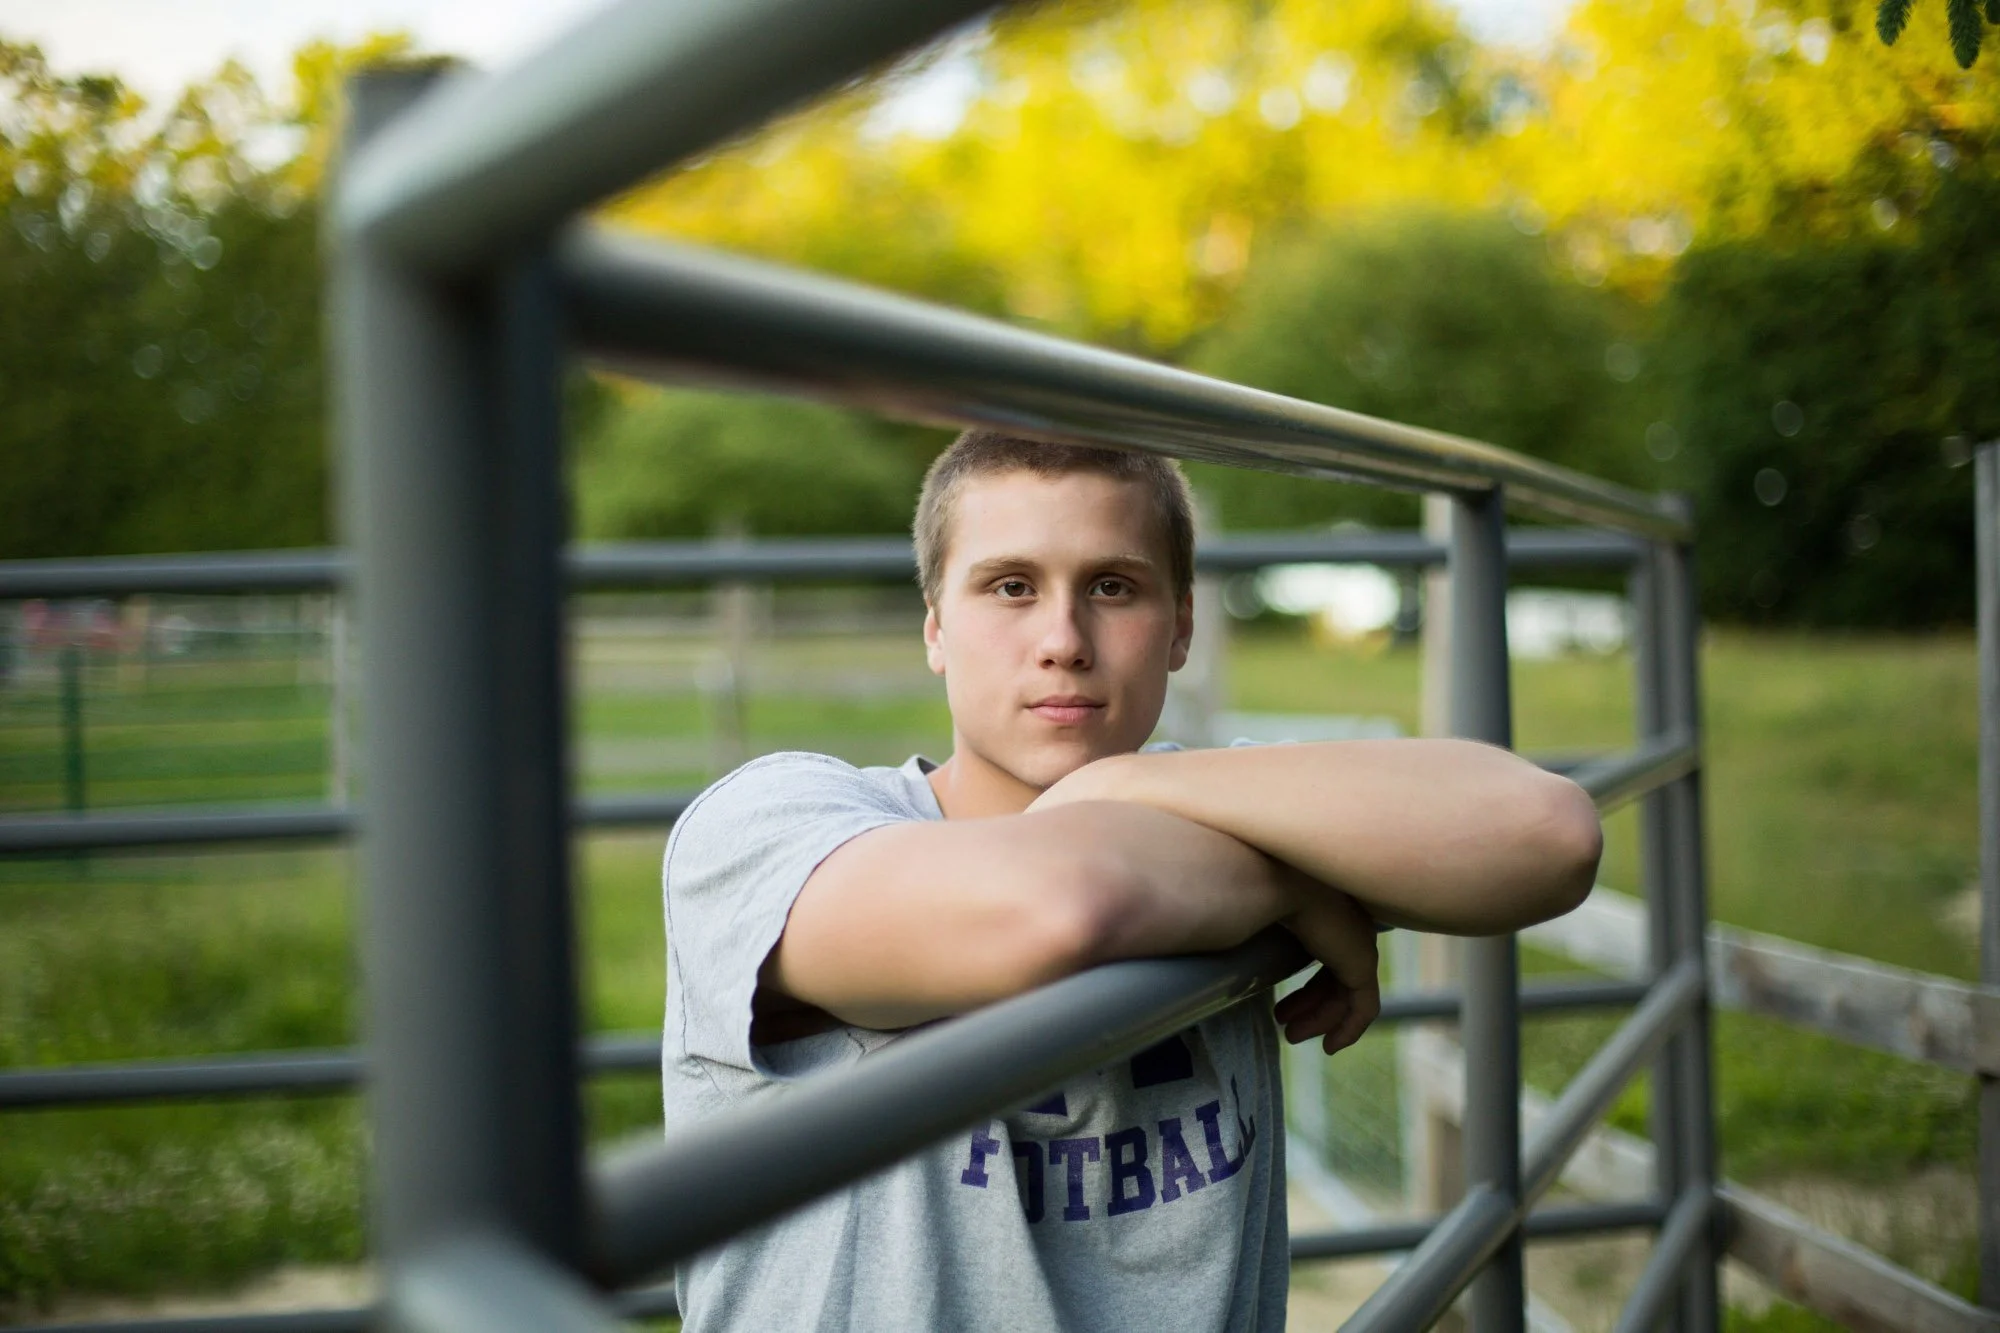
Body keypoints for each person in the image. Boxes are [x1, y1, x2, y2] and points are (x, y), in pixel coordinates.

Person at [660, 430, 1602, 1332]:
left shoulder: (1203, 802)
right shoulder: (768, 825)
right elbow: (1063, 908)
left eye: (1113, 586)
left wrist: (1129, 781)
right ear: (936, 628)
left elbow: (1547, 834)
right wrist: (1299, 882)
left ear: (1182, 623)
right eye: (1011, 586)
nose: (1063, 638)